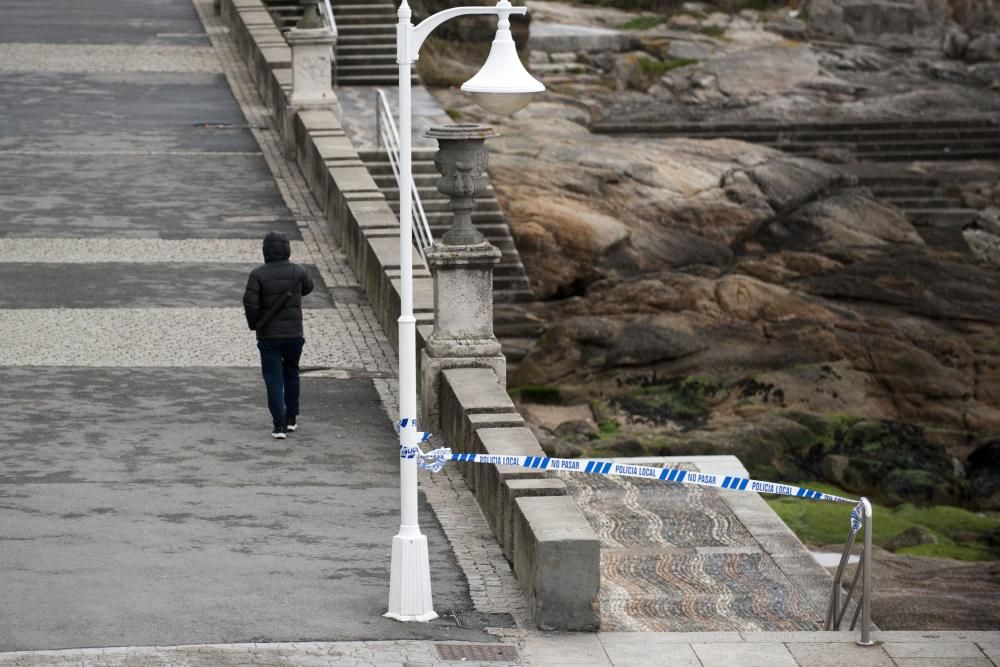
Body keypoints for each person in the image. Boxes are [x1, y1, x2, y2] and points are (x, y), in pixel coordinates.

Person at [243, 231, 315, 439]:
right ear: (287, 249)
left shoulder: (257, 274)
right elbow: (308, 288)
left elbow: (250, 304)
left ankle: (279, 425)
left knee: (273, 377)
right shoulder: (298, 271)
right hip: (294, 334)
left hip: (269, 336)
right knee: (291, 372)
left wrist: (254, 324)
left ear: (265, 251)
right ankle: (292, 418)